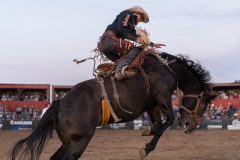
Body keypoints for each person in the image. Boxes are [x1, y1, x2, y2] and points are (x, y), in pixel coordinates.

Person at [97, 6, 166, 80]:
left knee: (122, 59)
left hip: (103, 45)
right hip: (110, 41)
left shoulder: (129, 24)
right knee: (136, 50)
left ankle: (109, 73)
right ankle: (119, 71)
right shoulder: (128, 14)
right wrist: (136, 38)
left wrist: (152, 44)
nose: (139, 21)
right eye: (141, 18)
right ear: (136, 13)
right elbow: (122, 29)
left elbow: (130, 33)